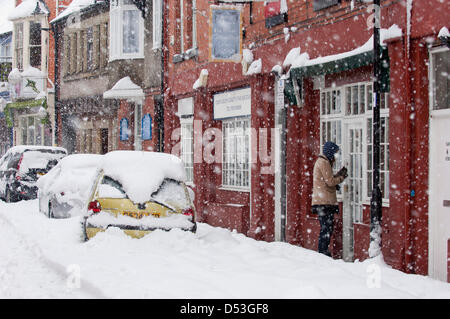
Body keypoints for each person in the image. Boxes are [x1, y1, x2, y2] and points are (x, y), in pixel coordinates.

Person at [311, 141, 348, 257]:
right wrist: (341, 177)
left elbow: (327, 180)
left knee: (326, 227)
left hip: (323, 201)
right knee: (327, 228)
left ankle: (323, 251)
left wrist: (337, 175)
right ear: (330, 152)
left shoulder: (322, 162)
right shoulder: (324, 163)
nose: (337, 156)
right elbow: (330, 181)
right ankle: (323, 252)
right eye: (335, 153)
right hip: (324, 202)